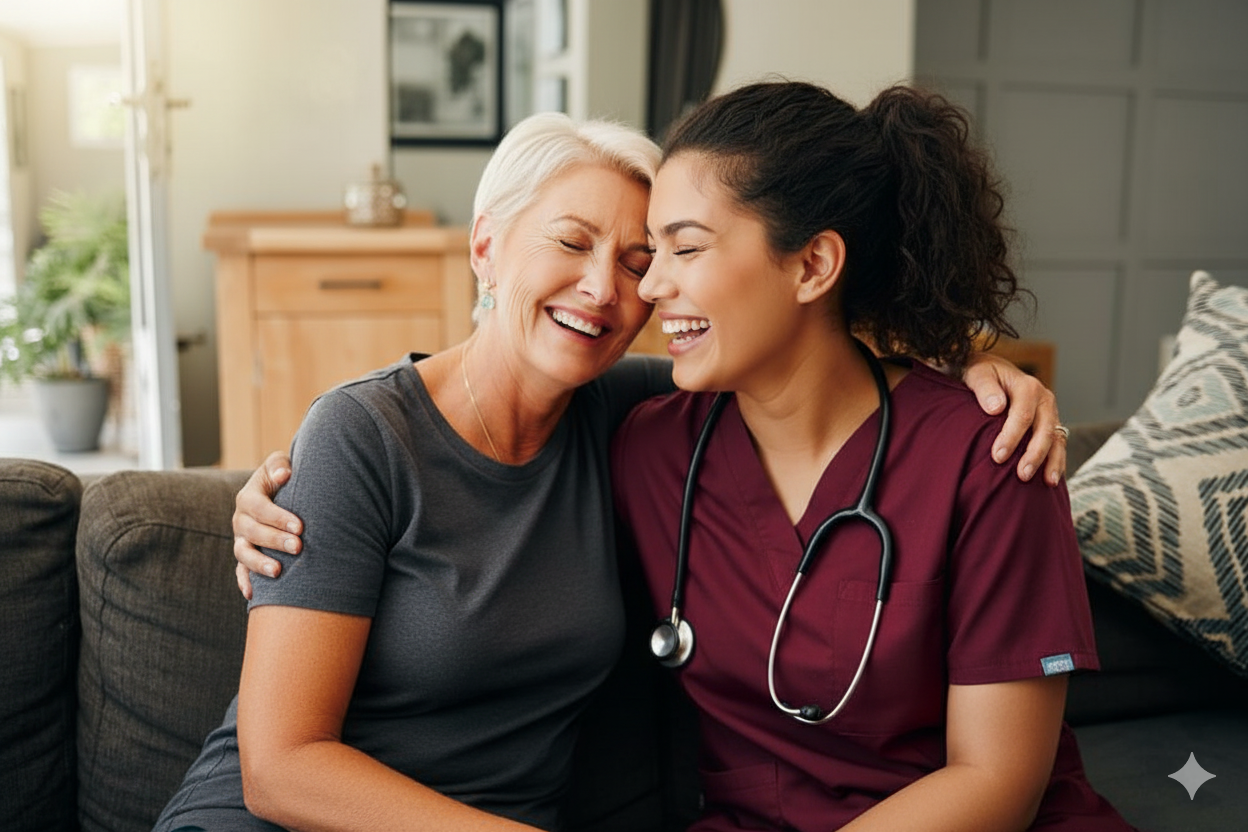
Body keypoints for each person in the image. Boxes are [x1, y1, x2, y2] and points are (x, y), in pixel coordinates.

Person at [218, 108, 1064, 831]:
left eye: (648, 257)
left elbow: (810, 369)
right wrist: (281, 487)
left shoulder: (635, 414)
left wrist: (976, 370)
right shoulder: (379, 435)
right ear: (486, 246)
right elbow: (279, 765)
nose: (626, 289)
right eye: (572, 242)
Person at [610, 82, 1135, 829]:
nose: (652, 284)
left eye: (686, 248)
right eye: (651, 250)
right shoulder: (650, 451)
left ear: (814, 264)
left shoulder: (992, 457)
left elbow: (997, 783)